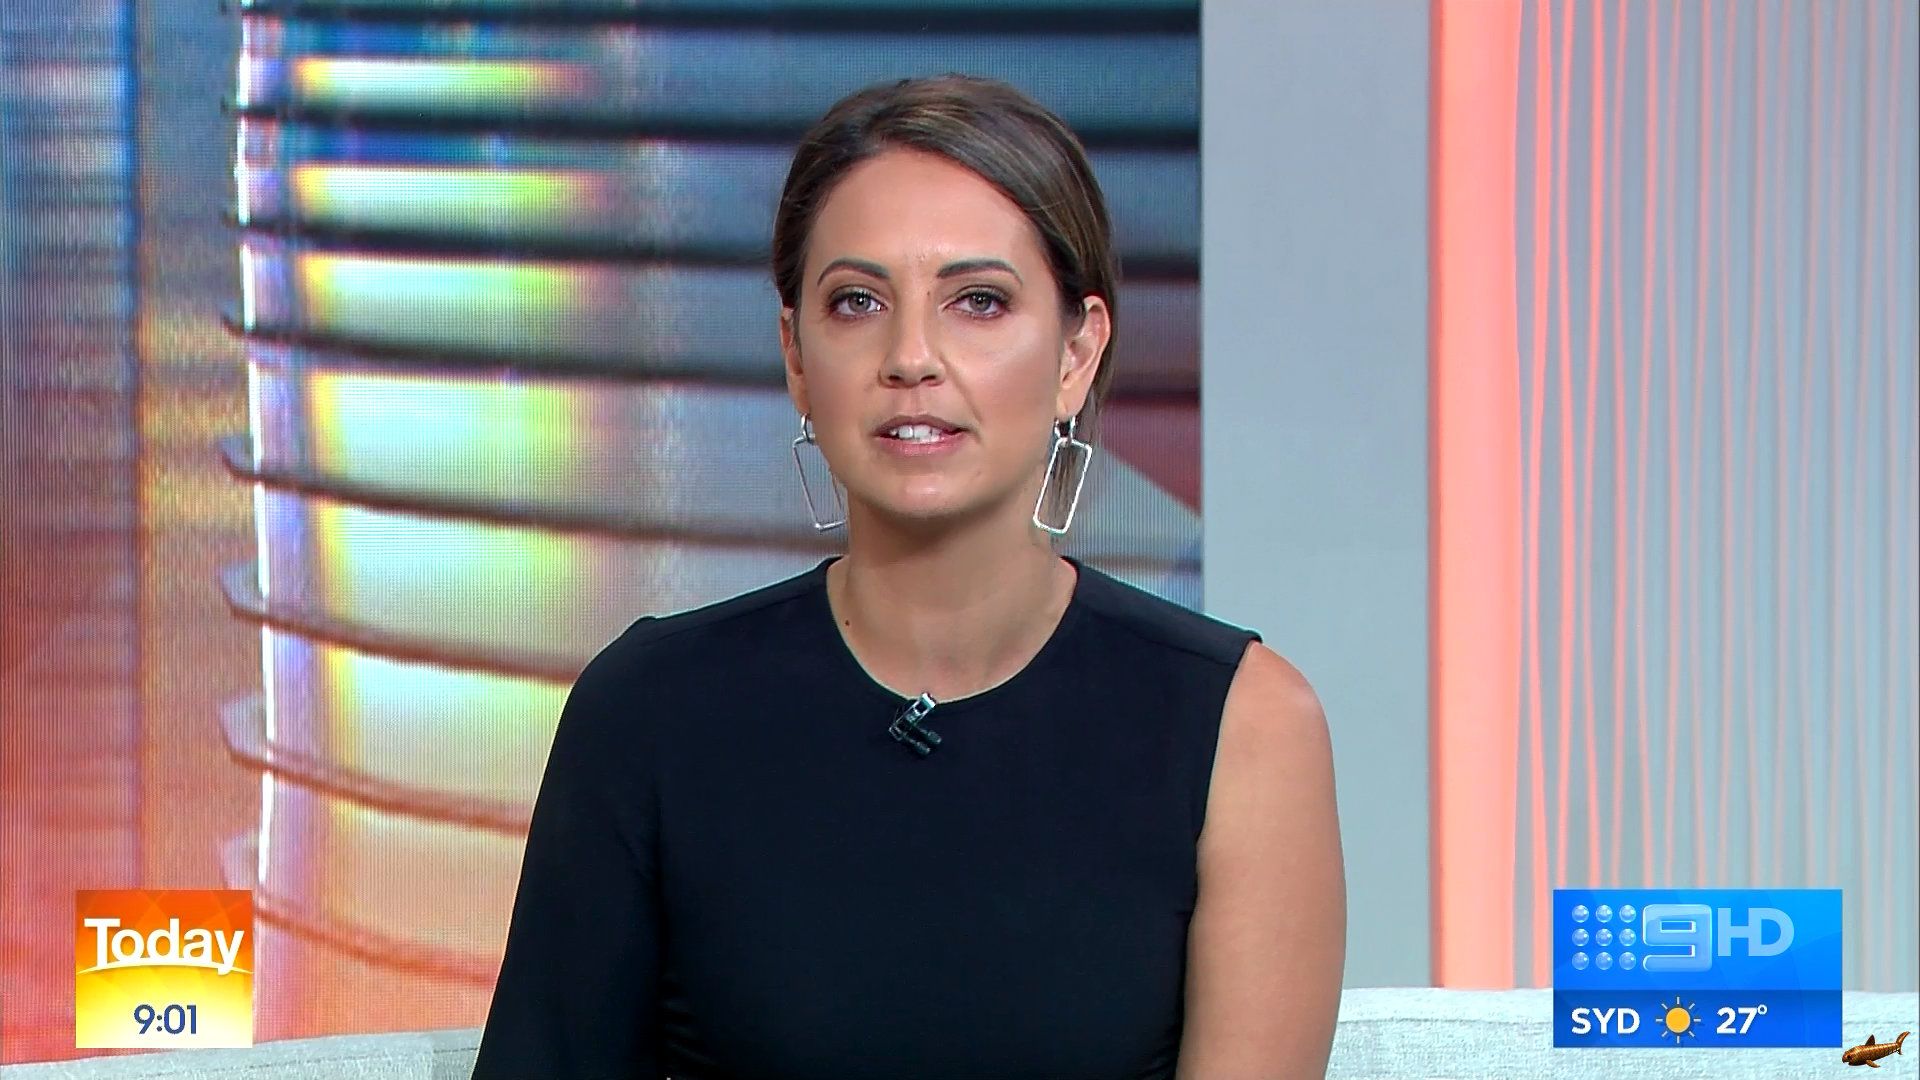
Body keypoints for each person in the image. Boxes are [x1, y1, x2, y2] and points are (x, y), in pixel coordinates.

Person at [471, 74, 1345, 1080]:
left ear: (1077, 353)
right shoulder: (647, 711)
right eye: (858, 302)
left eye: (979, 302)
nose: (912, 357)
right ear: (797, 355)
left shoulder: (1243, 728)